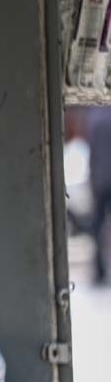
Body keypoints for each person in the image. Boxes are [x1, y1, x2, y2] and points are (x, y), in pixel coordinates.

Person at [84, 106, 111, 284]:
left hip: (100, 179)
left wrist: (92, 180)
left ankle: (99, 271)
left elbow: (91, 154)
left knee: (98, 226)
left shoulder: (94, 118)